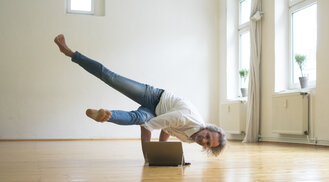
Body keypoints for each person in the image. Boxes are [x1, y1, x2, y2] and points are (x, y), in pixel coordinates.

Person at [54, 34, 226, 157]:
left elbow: (167, 128)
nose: (204, 141)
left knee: (136, 117)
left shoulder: (191, 139)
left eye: (208, 144)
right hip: (154, 97)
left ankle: (105, 115)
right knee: (110, 77)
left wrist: (161, 154)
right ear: (207, 128)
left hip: (156, 114)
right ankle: (69, 52)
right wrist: (148, 155)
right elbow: (149, 126)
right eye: (208, 137)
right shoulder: (186, 117)